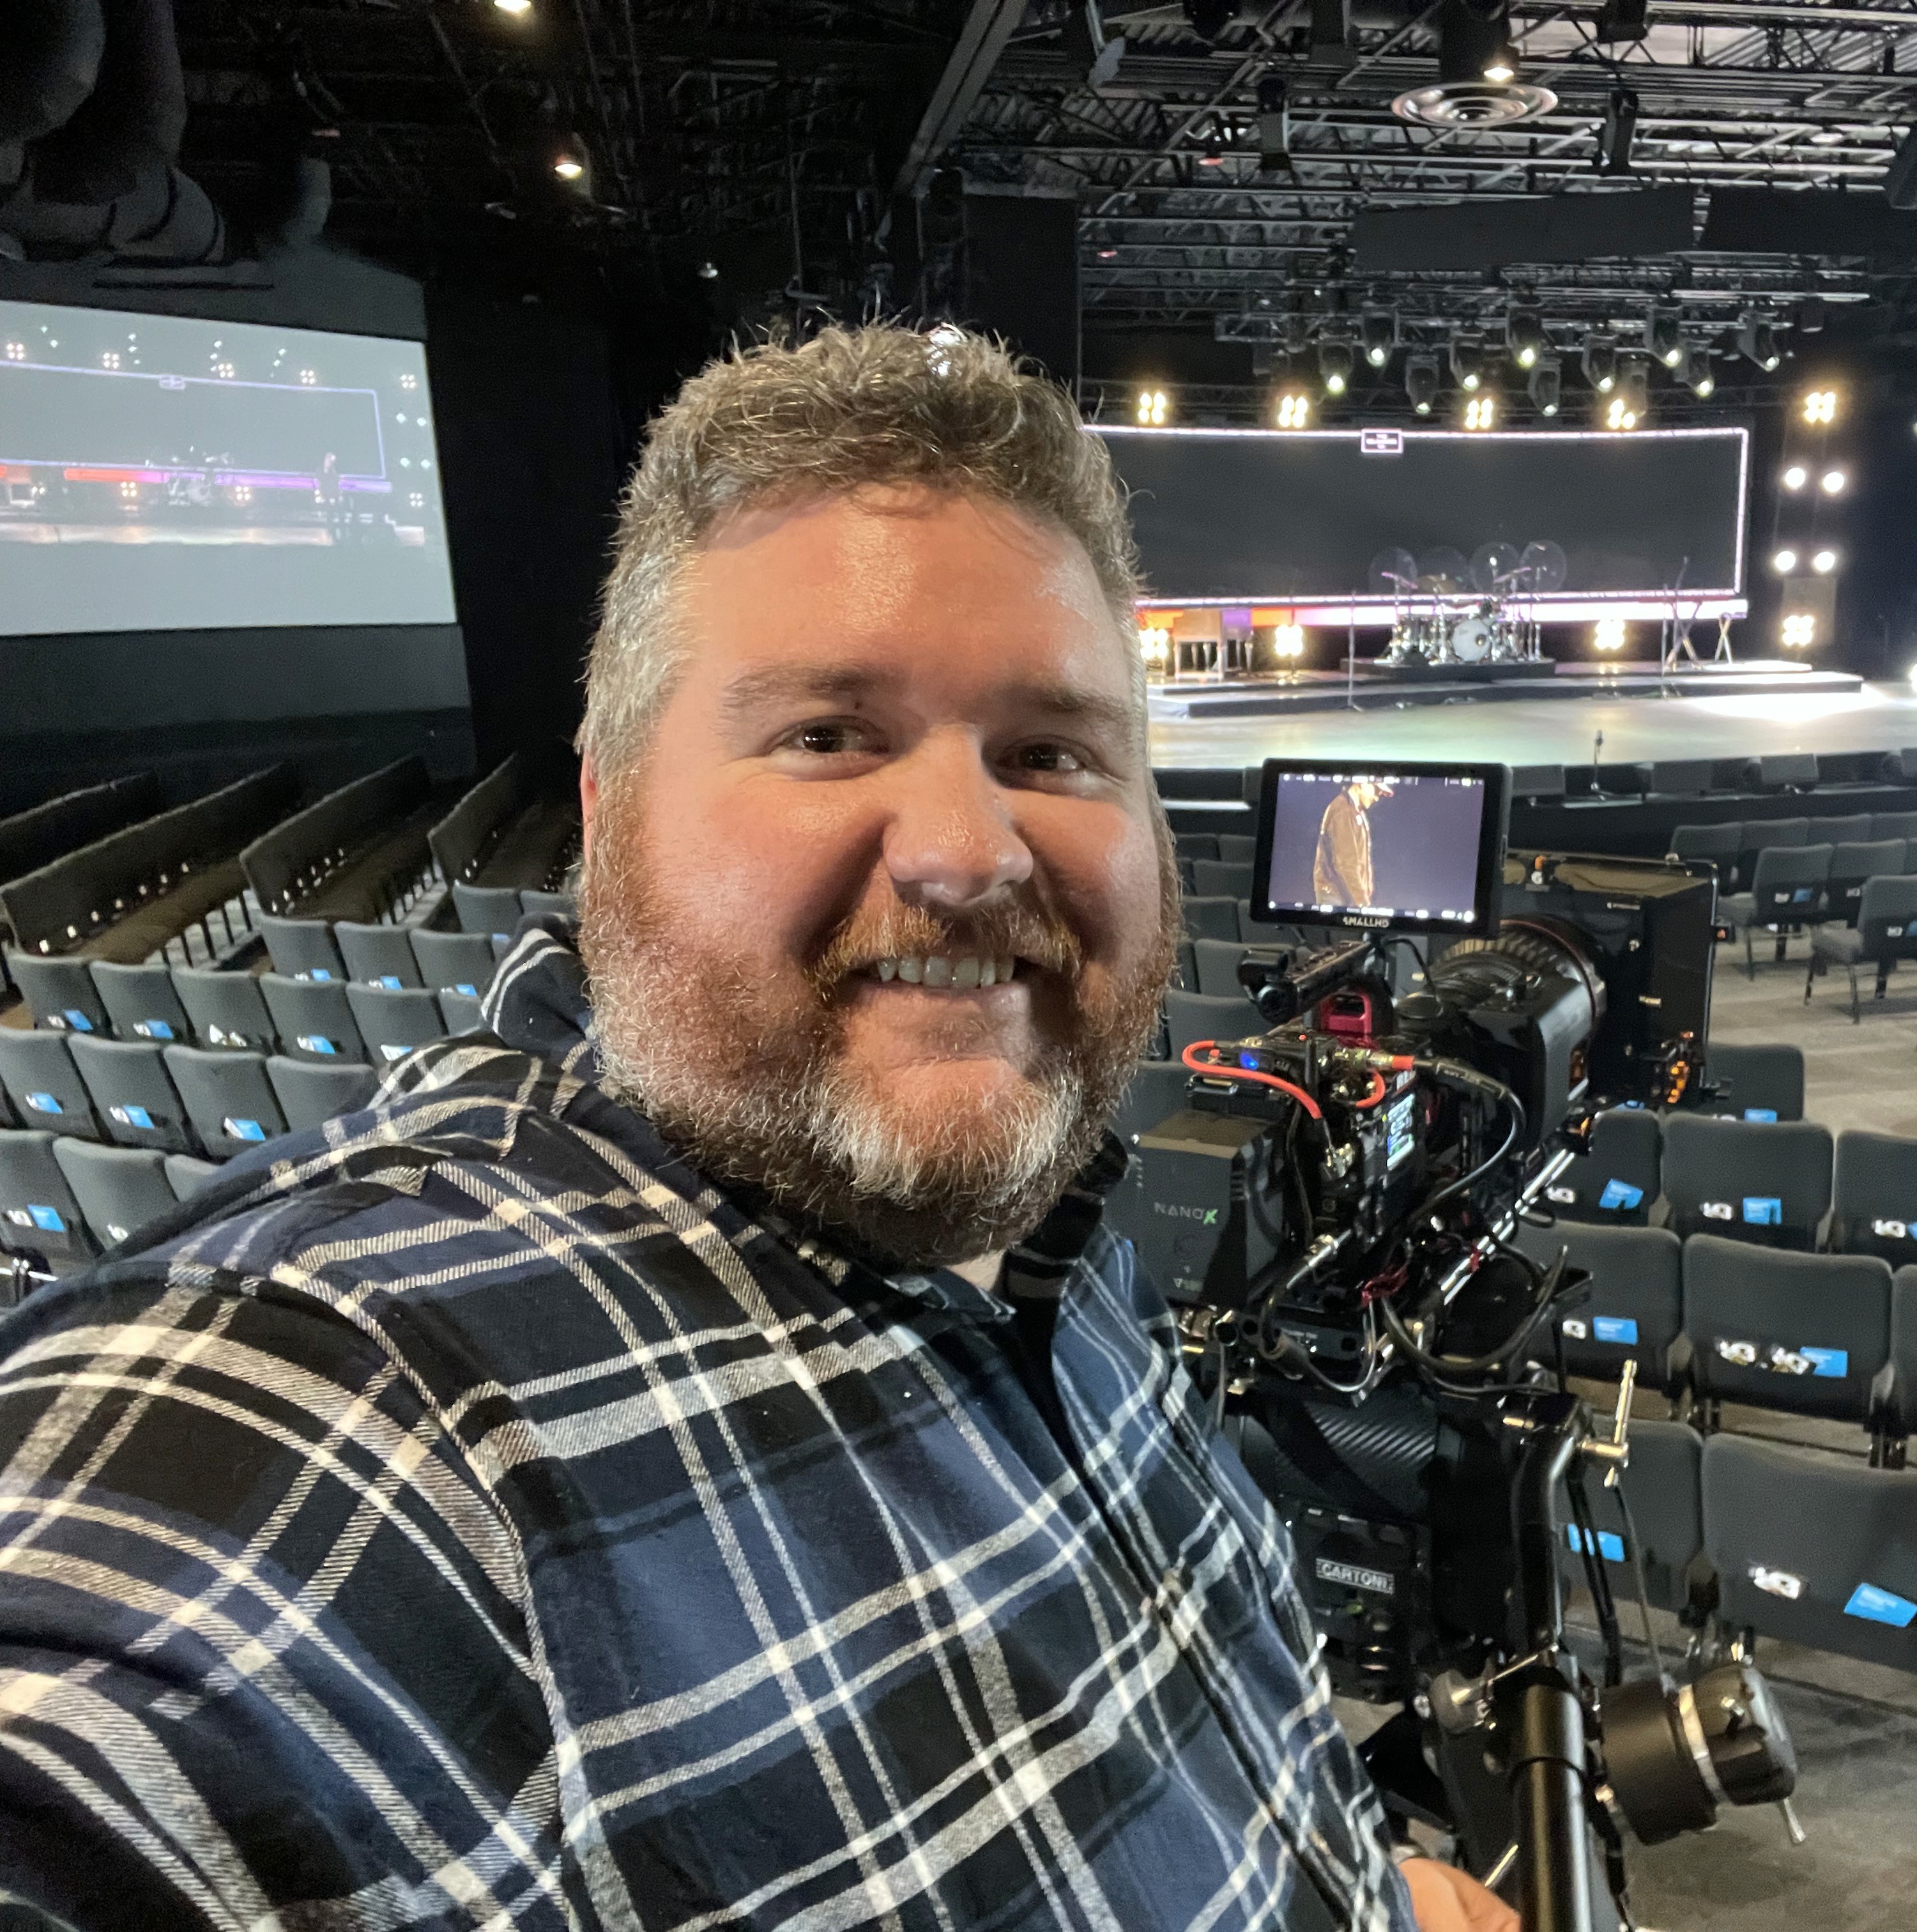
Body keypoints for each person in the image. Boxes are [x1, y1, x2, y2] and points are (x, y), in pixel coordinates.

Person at [0, 325, 1516, 1932]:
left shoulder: (1038, 1241)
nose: (966, 850)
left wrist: (1364, 1894)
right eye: (828, 734)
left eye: (1053, 752)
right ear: (607, 814)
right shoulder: (351, 1396)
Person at [1314, 775, 1384, 907]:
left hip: (1346, 896)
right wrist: (1362, 903)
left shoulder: (1355, 811)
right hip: (1337, 897)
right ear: (1361, 784)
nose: (1377, 797)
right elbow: (1346, 864)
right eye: (1376, 790)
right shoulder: (1344, 811)